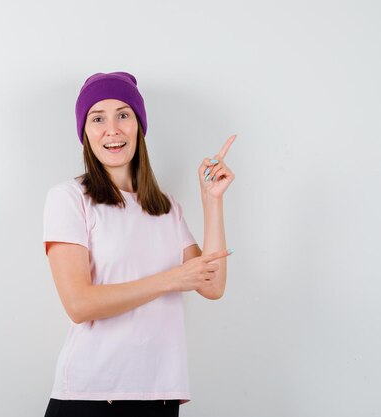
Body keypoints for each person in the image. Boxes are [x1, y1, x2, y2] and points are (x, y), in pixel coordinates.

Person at [42, 71, 236, 417]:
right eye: (97, 118)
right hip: (91, 398)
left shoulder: (165, 207)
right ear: (85, 132)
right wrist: (173, 279)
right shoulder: (69, 199)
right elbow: (79, 304)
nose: (112, 129)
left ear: (139, 126)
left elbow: (213, 283)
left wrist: (212, 200)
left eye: (123, 115)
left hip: (160, 395)